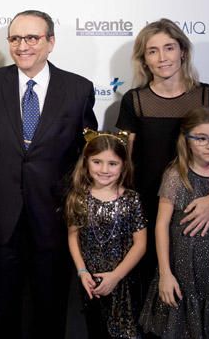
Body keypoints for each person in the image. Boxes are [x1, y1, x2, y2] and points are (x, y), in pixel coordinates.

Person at [0, 9, 97, 339]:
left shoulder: (78, 89)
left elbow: (85, 157)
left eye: (32, 38)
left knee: (50, 306)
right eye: (15, 38)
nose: (22, 45)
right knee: (2, 309)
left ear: (51, 42)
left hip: (54, 214)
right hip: (3, 215)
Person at [115, 19, 209, 308]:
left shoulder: (208, 96)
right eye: (153, 51)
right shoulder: (134, 101)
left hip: (199, 211)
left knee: (200, 302)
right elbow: (124, 163)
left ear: (183, 52)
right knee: (152, 299)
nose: (162, 58)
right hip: (150, 212)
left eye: (169, 48)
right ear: (144, 59)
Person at [139, 107, 209, 338]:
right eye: (202, 138)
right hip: (183, 279)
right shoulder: (176, 177)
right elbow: (161, 226)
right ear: (187, 140)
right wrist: (165, 274)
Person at [66, 130, 147, 339]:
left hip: (124, 283)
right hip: (90, 283)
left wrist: (116, 276)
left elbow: (140, 244)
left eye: (112, 163)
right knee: (95, 330)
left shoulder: (132, 199)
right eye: (97, 162)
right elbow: (73, 236)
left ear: (123, 165)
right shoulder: (78, 198)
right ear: (86, 163)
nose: (104, 169)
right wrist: (82, 271)